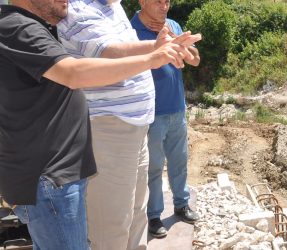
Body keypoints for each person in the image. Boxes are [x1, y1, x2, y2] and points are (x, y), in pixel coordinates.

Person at [0, 0, 186, 249]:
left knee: (126, 220)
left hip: (61, 169)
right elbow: (74, 73)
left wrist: (154, 48)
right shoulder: (15, 26)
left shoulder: (37, 24)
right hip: (48, 176)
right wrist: (152, 58)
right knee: (104, 234)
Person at [56, 0, 200, 249]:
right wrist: (153, 55)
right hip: (110, 131)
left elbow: (126, 46)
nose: (165, 5)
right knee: (112, 228)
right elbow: (109, 52)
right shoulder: (79, 10)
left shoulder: (113, 6)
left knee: (135, 216)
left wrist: (156, 46)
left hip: (136, 126)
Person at [131, 0, 200, 238]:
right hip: (151, 114)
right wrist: (157, 45)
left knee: (179, 161)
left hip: (177, 109)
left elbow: (195, 60)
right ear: (142, 2)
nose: (164, 6)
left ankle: (181, 204)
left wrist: (178, 44)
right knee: (153, 168)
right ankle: (153, 216)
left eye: (167, 1)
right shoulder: (130, 29)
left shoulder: (173, 25)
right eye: (158, 1)